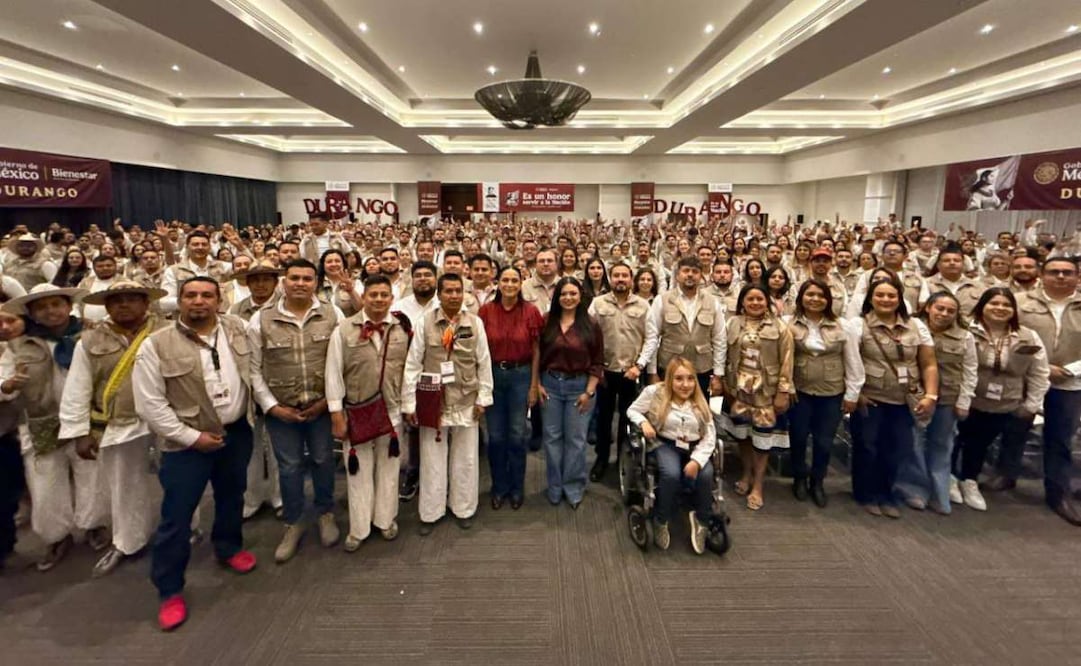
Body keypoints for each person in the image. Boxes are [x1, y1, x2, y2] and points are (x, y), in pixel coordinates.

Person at [134, 276, 256, 631]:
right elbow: (150, 405)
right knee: (177, 516)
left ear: (219, 300)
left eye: (207, 295)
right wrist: (190, 437)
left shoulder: (237, 330)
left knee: (232, 496)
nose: (199, 301)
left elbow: (254, 371)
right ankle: (169, 589)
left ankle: (228, 547)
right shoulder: (156, 345)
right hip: (186, 444)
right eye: (191, 295)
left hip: (235, 432)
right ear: (179, 301)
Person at [59, 280, 170, 577]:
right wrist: (80, 432)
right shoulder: (90, 341)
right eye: (116, 300)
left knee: (176, 479)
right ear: (107, 307)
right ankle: (127, 541)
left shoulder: (168, 332)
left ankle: (188, 529)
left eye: (132, 299)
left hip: (167, 418)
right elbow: (77, 388)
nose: (124, 304)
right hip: (120, 422)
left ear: (146, 303)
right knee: (123, 485)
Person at [0, 284, 109, 571]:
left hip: (86, 417)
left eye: (56, 304)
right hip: (40, 422)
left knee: (92, 473)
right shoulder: (18, 345)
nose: (50, 311)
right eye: (42, 307)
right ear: (32, 313)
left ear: (68, 306)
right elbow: (3, 378)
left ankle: (94, 524)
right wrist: (7, 386)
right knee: (45, 484)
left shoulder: (91, 334)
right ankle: (56, 536)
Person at [248, 259, 341, 563]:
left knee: (323, 459)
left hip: (321, 405)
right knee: (288, 467)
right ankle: (293, 522)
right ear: (283, 282)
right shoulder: (261, 320)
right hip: (282, 409)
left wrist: (329, 401)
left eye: (307, 278)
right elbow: (253, 369)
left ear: (317, 282)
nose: (301, 283)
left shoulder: (331, 314)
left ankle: (325, 513)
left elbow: (342, 362)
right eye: (294, 278)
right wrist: (271, 407)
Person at [402, 273, 493, 534]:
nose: (454, 295)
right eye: (448, 291)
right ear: (439, 295)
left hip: (466, 397)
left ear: (464, 294)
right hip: (434, 400)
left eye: (458, 291)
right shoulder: (425, 323)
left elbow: (484, 362)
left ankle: (463, 508)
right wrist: (410, 403)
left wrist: (484, 398)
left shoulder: (475, 323)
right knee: (432, 460)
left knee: (465, 459)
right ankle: (431, 513)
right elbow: (412, 364)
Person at [326, 275, 411, 550]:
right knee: (359, 470)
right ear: (365, 297)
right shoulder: (344, 329)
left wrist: (409, 406)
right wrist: (336, 413)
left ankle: (385, 520)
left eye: (383, 295)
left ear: (391, 298)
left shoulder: (401, 329)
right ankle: (359, 527)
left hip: (392, 410)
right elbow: (333, 374)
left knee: (389, 468)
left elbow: (409, 372)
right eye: (373, 294)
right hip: (357, 411)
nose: (378, 299)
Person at [850, 274, 939, 519]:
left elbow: (929, 363)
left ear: (900, 299)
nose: (886, 299)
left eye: (891, 295)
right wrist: (856, 393)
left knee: (898, 448)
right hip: (871, 397)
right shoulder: (858, 325)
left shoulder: (917, 326)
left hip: (905, 399)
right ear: (870, 298)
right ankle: (865, 493)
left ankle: (886, 492)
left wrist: (930, 395)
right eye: (880, 295)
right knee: (868, 447)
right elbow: (851, 362)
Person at [952, 288, 1048, 512]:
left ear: (1013, 310)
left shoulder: (1027, 336)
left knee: (980, 443)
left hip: (1003, 402)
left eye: (1006, 305)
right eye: (994, 303)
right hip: (964, 397)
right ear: (982, 305)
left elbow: (1039, 372)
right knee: (954, 440)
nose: (1000, 308)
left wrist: (1032, 403)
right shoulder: (964, 328)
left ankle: (969, 480)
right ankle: (949, 479)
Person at [1007, 258, 1081, 525]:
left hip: (1070, 383)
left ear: (1077, 275)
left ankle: (1057, 493)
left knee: (1060, 438)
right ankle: (1007, 475)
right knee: (1016, 428)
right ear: (1042, 275)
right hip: (1026, 377)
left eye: (1067, 272)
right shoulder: (1020, 302)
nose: (1060, 277)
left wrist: (1070, 370)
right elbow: (1007, 336)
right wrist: (1043, 367)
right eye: (1054, 272)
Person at [894, 292, 977, 514]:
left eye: (951, 311)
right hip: (916, 395)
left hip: (949, 398)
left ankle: (939, 493)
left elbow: (970, 371)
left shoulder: (965, 337)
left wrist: (964, 400)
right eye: (940, 308)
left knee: (941, 445)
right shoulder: (913, 329)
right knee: (914, 443)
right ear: (929, 307)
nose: (944, 313)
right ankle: (914, 490)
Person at [626, 357, 716, 554]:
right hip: (665, 443)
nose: (685, 385)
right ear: (669, 379)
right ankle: (661, 519)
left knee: (706, 474)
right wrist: (643, 423)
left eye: (690, 379)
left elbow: (710, 437)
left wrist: (697, 461)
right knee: (671, 474)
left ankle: (701, 521)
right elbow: (632, 410)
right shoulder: (655, 393)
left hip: (695, 446)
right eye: (679, 379)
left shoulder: (699, 401)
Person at [786, 280, 863, 508]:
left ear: (828, 299)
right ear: (801, 298)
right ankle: (799, 478)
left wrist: (852, 393)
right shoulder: (789, 324)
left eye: (820, 295)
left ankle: (817, 481)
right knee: (798, 438)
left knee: (824, 441)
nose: (815, 299)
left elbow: (853, 361)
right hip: (799, 391)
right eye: (810, 294)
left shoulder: (843, 326)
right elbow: (785, 361)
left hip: (831, 392)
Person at [721, 284, 794, 511]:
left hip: (766, 392)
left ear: (767, 302)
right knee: (742, 435)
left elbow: (787, 362)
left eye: (759, 299)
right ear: (742, 302)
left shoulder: (780, 328)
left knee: (762, 441)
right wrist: (723, 384)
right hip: (738, 390)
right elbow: (723, 354)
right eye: (750, 299)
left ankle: (758, 485)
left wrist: (783, 391)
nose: (755, 303)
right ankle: (746, 473)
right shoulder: (732, 324)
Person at [478, 266, 544, 509]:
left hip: (521, 375)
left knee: (517, 435)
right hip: (492, 375)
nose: (509, 284)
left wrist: (534, 385)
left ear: (521, 283)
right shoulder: (486, 311)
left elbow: (537, 350)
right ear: (498, 283)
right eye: (505, 280)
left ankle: (517, 487)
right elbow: (479, 351)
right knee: (495, 437)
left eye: (514, 280)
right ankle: (499, 487)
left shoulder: (530, 311)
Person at [536, 277, 603, 508]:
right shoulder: (546, 322)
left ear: (580, 296)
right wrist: (537, 383)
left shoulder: (591, 324)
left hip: (580, 388)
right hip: (550, 385)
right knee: (552, 439)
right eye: (564, 294)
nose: (568, 298)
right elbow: (537, 355)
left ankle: (573, 486)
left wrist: (589, 391)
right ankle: (555, 486)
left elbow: (598, 361)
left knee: (576, 440)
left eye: (573, 294)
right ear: (557, 297)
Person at [228, 261, 283, 519]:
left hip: (277, 383)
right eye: (255, 279)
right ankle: (251, 498)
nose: (260, 284)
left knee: (278, 446)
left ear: (275, 281)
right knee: (248, 447)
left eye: (266, 279)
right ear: (247, 283)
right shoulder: (235, 310)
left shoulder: (284, 304)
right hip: (245, 384)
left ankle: (279, 496)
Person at [588, 262, 648, 481]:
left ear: (631, 279)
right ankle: (601, 458)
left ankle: (624, 459)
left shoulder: (643, 306)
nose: (620, 279)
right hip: (605, 371)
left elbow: (651, 338)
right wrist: (595, 368)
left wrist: (639, 366)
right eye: (616, 276)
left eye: (625, 275)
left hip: (630, 372)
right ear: (610, 279)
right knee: (603, 419)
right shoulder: (597, 303)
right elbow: (589, 337)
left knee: (627, 418)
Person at [638, 257, 725, 397]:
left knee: (699, 414)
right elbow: (652, 337)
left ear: (701, 276)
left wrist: (718, 375)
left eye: (695, 271)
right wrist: (652, 372)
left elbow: (719, 340)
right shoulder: (662, 300)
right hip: (669, 368)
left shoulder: (712, 302)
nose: (690, 274)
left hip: (701, 370)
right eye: (686, 271)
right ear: (678, 275)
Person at [160, 231, 227, 315]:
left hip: (218, 319)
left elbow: (245, 269)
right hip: (185, 321)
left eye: (204, 244)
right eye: (195, 244)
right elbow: (164, 302)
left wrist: (240, 247)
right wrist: (193, 303)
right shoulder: (173, 270)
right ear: (187, 247)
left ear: (209, 247)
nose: (200, 247)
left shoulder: (222, 266)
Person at [317, 248, 363, 317]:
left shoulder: (356, 282)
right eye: (329, 262)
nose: (334, 264)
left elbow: (360, 308)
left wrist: (351, 291)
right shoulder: (315, 284)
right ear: (323, 265)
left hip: (347, 325)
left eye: (337, 261)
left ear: (343, 264)